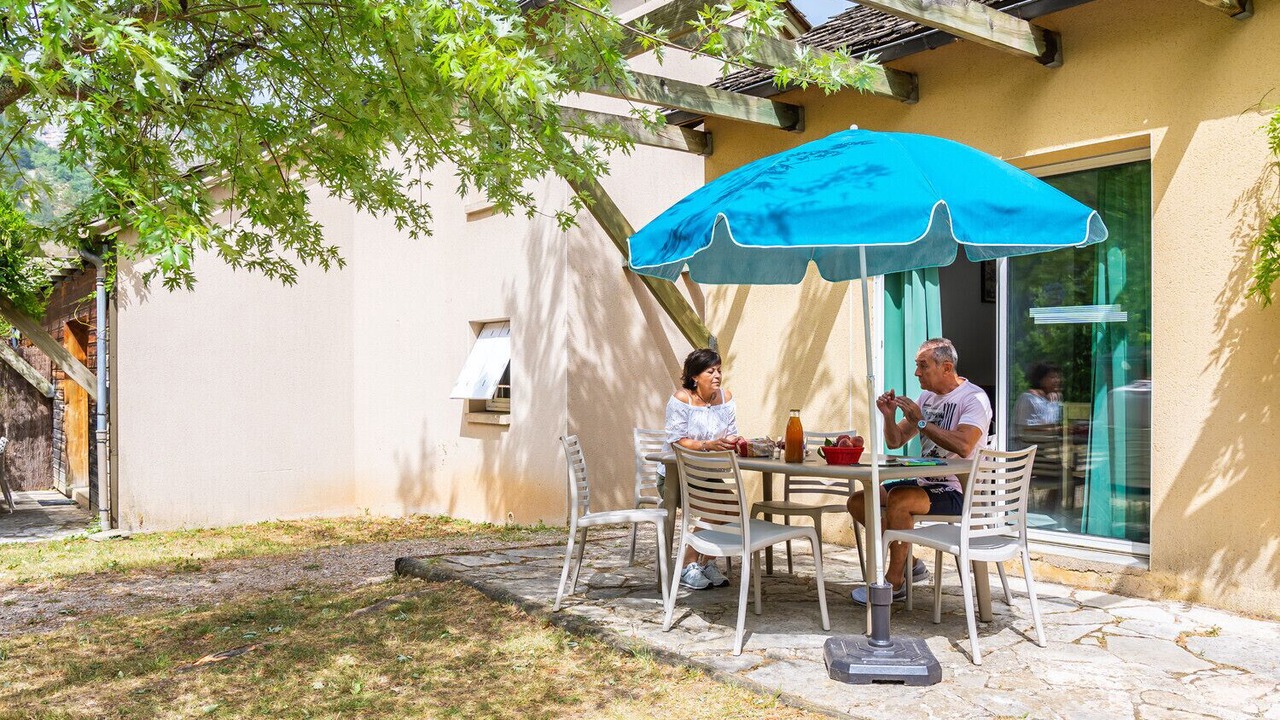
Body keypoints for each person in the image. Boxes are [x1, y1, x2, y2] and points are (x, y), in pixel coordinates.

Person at [846, 338, 992, 605]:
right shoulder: (927, 398)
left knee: (900, 500)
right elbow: (896, 441)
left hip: (959, 489)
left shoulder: (974, 399)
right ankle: (910, 563)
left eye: (923, 366)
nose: (916, 373)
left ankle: (894, 583)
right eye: (916, 366)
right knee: (860, 500)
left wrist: (921, 422)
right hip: (926, 483)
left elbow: (964, 445)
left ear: (946, 368)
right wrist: (888, 416)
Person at [663, 347, 741, 590]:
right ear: (695, 376)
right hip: (678, 476)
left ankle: (707, 563)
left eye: (719, 370)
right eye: (710, 371)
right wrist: (707, 445)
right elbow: (676, 440)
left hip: (708, 475)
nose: (717, 375)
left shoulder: (726, 398)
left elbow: (731, 433)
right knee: (717, 508)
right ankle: (688, 564)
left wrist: (735, 442)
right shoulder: (682, 399)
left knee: (734, 507)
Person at [1013, 361, 1063, 450]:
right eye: (1052, 377)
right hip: (1030, 451)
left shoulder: (1053, 399)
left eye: (1058, 377)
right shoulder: (1028, 399)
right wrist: (1059, 429)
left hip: (1048, 449)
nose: (1057, 381)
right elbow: (1026, 430)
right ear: (1040, 379)